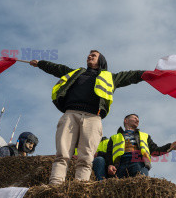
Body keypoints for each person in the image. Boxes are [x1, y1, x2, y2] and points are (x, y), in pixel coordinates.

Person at [29, 50, 145, 185]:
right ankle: (55, 184)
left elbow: (131, 76)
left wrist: (147, 74)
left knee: (86, 157)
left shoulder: (110, 77)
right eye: (89, 55)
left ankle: (81, 186)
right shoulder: (76, 73)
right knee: (62, 153)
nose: (89, 56)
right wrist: (40, 64)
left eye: (93, 55)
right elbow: (57, 68)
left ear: (100, 60)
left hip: (93, 118)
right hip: (70, 114)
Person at [105, 114, 176, 178]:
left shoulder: (145, 136)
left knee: (139, 187)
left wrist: (170, 147)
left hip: (139, 162)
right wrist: (110, 165)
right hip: (120, 164)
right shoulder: (114, 137)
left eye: (138, 119)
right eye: (134, 118)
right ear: (126, 120)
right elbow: (109, 154)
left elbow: (155, 151)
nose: (137, 120)